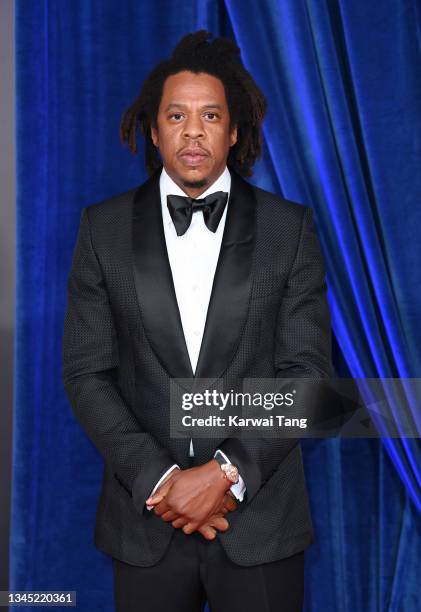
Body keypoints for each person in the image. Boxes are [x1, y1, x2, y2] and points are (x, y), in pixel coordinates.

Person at [62, 29, 333, 612]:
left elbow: (306, 374)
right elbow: (88, 373)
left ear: (234, 131)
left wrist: (225, 474)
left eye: (210, 115)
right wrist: (163, 482)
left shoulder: (291, 230)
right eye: (176, 115)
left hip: (262, 527)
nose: (192, 131)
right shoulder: (101, 229)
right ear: (153, 129)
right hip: (146, 526)